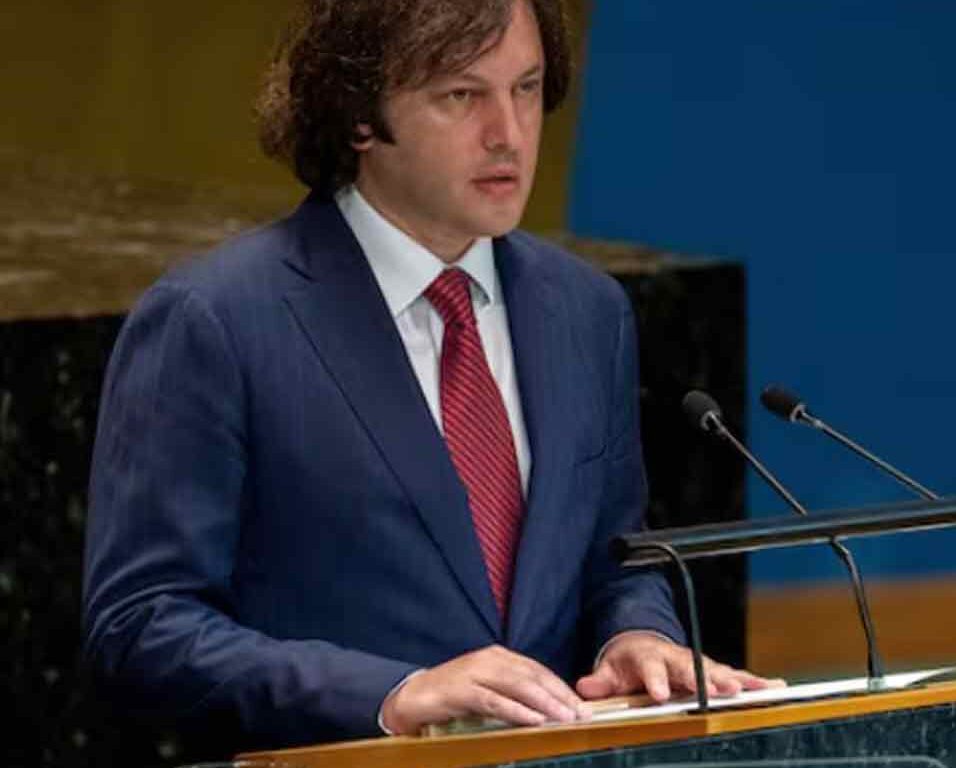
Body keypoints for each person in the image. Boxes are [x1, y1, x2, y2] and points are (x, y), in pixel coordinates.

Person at [81, 0, 772, 751]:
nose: (509, 134)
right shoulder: (216, 320)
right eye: (462, 96)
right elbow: (141, 627)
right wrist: (391, 694)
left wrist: (634, 635)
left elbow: (615, 563)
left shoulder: (586, 311)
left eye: (528, 89)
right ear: (359, 119)